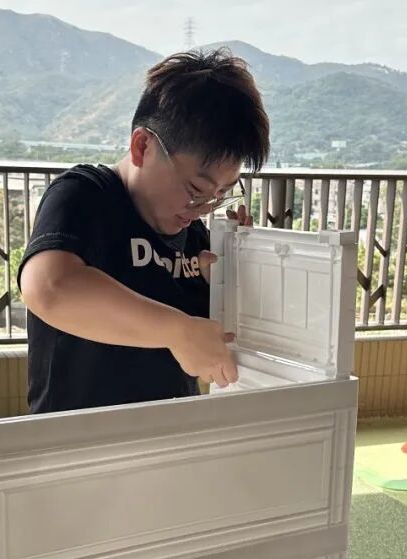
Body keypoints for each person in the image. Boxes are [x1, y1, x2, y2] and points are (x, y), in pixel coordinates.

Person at [17, 47, 270, 414]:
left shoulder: (194, 237)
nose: (202, 208)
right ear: (143, 146)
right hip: (77, 436)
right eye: (195, 190)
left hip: (167, 431)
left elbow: (216, 337)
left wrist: (235, 272)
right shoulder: (85, 195)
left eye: (221, 195)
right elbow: (49, 289)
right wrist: (176, 330)